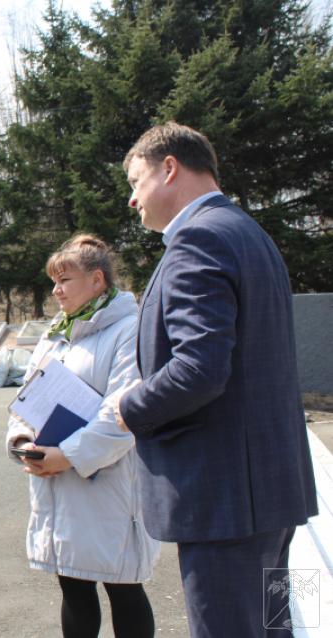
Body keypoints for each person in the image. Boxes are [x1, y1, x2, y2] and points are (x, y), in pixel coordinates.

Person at [116, 122, 318, 637]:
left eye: (136, 183)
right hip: (271, 496)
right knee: (275, 627)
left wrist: (130, 407)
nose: (132, 200)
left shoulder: (198, 239)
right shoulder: (248, 232)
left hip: (226, 506)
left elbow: (199, 368)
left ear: (169, 168)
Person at [5, 234, 160, 638]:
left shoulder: (129, 330)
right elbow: (27, 400)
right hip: (57, 482)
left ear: (97, 281)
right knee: (73, 585)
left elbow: (124, 412)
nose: (56, 290)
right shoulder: (56, 333)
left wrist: (68, 455)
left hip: (108, 483)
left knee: (123, 586)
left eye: (65, 280)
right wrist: (23, 444)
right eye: (53, 282)